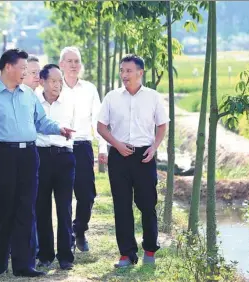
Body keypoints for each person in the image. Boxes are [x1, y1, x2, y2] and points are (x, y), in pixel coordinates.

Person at [0, 48, 74, 277]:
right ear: (8, 67)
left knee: (26, 209)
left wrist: (58, 128)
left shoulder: (28, 95)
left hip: (29, 155)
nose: (27, 73)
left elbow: (41, 120)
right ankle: (0, 263)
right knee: (3, 210)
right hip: (1, 155)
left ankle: (24, 264)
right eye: (23, 68)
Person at [97, 54, 169, 267]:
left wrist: (154, 147)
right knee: (121, 205)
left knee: (147, 204)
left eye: (128, 71)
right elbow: (101, 127)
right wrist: (116, 144)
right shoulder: (112, 97)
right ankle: (127, 254)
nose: (124, 75)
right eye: (122, 70)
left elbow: (162, 125)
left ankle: (149, 250)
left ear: (140, 72)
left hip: (144, 157)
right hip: (119, 156)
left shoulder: (153, 97)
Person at [59, 46, 108, 252]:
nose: (73, 65)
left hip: (82, 145)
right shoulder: (53, 86)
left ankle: (79, 229)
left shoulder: (89, 89)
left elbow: (98, 120)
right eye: (69, 61)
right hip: (59, 147)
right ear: (61, 65)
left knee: (86, 194)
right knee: (63, 195)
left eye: (77, 61)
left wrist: (103, 147)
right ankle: (66, 236)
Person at [35, 64, 76, 271]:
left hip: (64, 158)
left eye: (60, 81)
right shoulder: (33, 102)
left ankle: (66, 255)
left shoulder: (69, 102)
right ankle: (45, 254)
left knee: (64, 208)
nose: (58, 85)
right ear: (42, 81)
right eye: (53, 81)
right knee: (41, 207)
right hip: (40, 157)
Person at [22, 54, 42, 256]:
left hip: (37, 154)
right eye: (33, 72)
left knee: (35, 204)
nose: (38, 76)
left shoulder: (38, 97)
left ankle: (33, 247)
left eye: (39, 72)